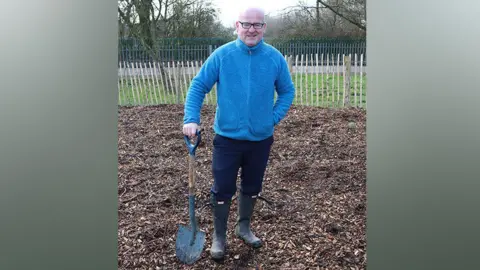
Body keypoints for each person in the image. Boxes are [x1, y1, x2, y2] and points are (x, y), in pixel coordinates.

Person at [182, 6, 295, 260]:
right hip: (227, 140)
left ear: (264, 28)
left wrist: (272, 118)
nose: (251, 29)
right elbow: (199, 86)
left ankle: (243, 227)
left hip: (260, 139)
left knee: (253, 185)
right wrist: (191, 119)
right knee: (222, 188)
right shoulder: (222, 56)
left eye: (257, 25)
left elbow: (287, 91)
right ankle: (219, 237)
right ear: (237, 26)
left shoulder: (274, 58)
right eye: (247, 24)